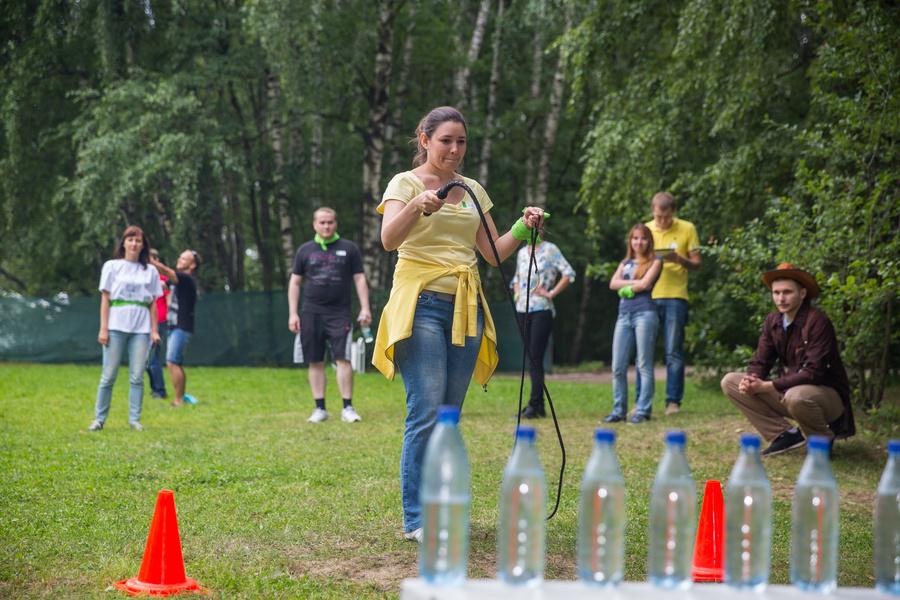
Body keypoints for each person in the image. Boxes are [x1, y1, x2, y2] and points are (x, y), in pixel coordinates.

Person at [372, 106, 545, 542]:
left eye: (461, 141)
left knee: (448, 416)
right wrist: (416, 207)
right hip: (420, 304)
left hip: (465, 306)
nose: (454, 149)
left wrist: (523, 229)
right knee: (426, 410)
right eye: (446, 140)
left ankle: (442, 509)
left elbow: (491, 252)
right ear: (425, 139)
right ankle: (416, 519)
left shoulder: (472, 189)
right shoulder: (404, 183)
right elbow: (389, 239)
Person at [721, 263, 855, 456]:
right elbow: (761, 360)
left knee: (796, 396)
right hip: (790, 390)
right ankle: (785, 435)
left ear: (802, 293)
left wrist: (767, 386)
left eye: (787, 292)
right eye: (776, 292)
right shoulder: (773, 321)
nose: (780, 298)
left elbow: (813, 373)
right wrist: (751, 379)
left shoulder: (818, 322)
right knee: (731, 382)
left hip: (826, 396)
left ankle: (821, 444)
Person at [288, 207, 372, 424]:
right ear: (314, 224)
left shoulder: (349, 248)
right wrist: (292, 313)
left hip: (339, 313)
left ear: (336, 224)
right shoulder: (304, 250)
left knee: (343, 359)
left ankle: (348, 407)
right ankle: (320, 409)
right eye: (322, 222)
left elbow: (360, 279)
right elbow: (295, 282)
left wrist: (365, 308)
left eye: (330, 222)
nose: (326, 226)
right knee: (315, 361)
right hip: (311, 313)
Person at [88, 225, 162, 432]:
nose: (134, 243)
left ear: (142, 245)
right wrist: (103, 328)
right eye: (130, 239)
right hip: (115, 326)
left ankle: (134, 420)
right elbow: (105, 298)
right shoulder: (112, 266)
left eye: (138, 240)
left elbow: (153, 303)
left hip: (141, 329)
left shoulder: (151, 270)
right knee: (108, 375)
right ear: (123, 243)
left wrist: (154, 330)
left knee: (137, 376)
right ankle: (99, 419)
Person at [644, 191, 701, 415]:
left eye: (666, 217)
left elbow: (698, 264)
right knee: (644, 353)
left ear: (673, 213)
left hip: (676, 296)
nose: (662, 222)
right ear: (653, 212)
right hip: (648, 296)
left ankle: (673, 402)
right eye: (658, 217)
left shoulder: (687, 228)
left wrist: (680, 259)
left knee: (673, 351)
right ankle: (643, 402)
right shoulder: (646, 229)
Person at [510, 238, 575, 418]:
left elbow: (569, 273)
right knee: (530, 358)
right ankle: (537, 405)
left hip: (541, 309)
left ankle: (536, 404)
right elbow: (516, 278)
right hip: (522, 309)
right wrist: (517, 294)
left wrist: (551, 293)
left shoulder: (550, 249)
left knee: (535, 357)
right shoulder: (522, 252)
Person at [604, 223, 662, 424]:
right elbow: (612, 284)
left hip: (645, 314)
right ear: (631, 241)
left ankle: (642, 410)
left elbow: (646, 284)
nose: (639, 242)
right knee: (617, 366)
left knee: (643, 364)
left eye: (643, 238)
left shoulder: (656, 261)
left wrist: (625, 286)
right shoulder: (626, 262)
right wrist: (633, 285)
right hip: (624, 315)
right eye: (635, 238)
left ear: (649, 241)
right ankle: (618, 410)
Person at [151, 249, 199, 407]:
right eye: (180, 257)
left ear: (192, 265)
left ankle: (179, 399)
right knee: (174, 361)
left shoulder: (186, 278)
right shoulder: (178, 280)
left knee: (172, 361)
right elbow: (165, 283)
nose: (180, 259)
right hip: (174, 325)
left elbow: (166, 271)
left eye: (184, 259)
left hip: (181, 326)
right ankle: (181, 397)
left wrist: (149, 260)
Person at [145, 248, 170, 399]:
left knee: (153, 358)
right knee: (146, 360)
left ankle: (160, 391)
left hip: (159, 322)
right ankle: (155, 388)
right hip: (145, 322)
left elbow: (168, 300)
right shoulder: (145, 278)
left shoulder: (162, 280)